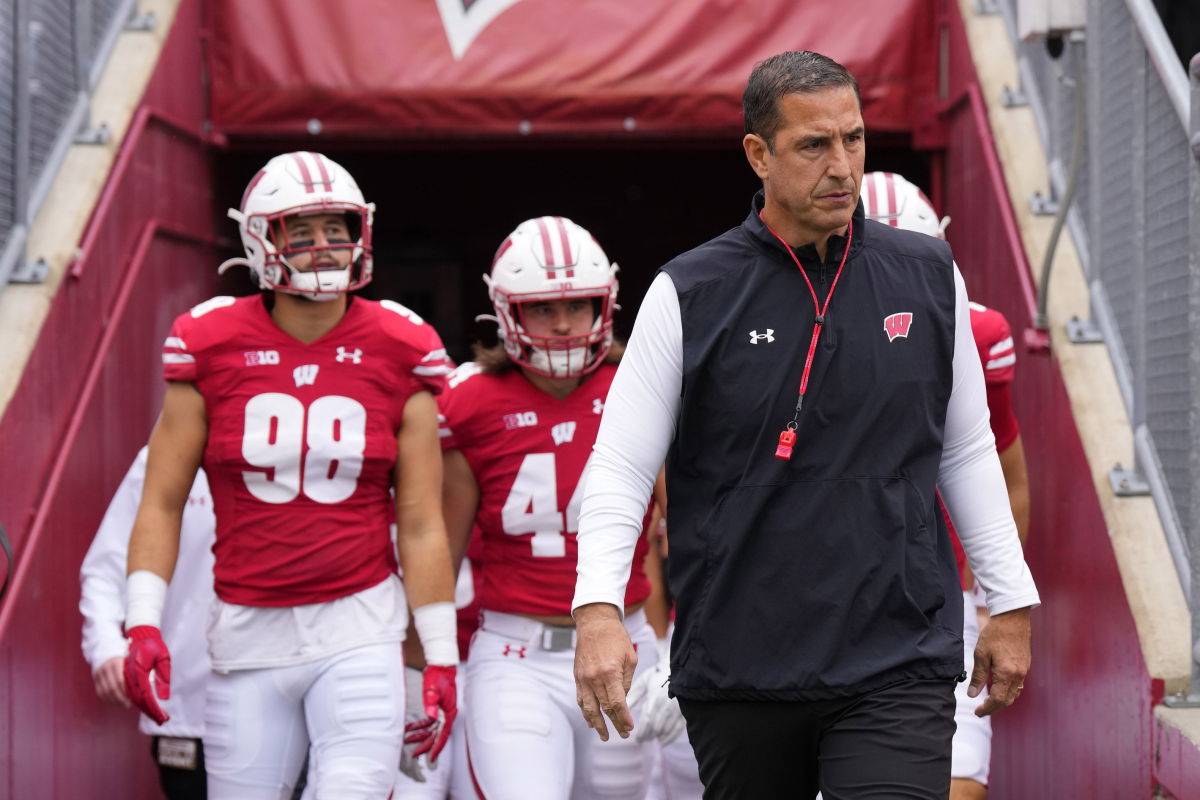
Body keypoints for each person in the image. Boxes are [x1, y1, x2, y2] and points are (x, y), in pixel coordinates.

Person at [571, 51, 1041, 799]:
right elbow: (622, 465)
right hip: (740, 660)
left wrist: (1009, 599)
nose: (842, 166)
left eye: (853, 139)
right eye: (813, 145)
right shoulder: (688, 291)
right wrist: (597, 608)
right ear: (758, 154)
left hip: (898, 654)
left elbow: (967, 448)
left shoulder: (929, 275)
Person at [122, 151, 460, 800]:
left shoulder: (402, 345)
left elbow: (420, 525)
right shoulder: (209, 341)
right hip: (247, 637)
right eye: (299, 232)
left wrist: (438, 653)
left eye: (336, 229)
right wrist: (142, 621)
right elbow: (161, 502)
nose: (324, 248)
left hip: (359, 630)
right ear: (258, 239)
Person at [437, 217, 659, 800]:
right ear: (508, 312)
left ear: (603, 306)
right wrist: (426, 661)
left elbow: (679, 538)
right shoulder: (469, 400)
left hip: (628, 646)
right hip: (516, 655)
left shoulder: (640, 385)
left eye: (577, 306)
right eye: (541, 309)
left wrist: (677, 648)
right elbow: (441, 545)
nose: (562, 324)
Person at [861, 170, 1032, 800]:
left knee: (958, 784)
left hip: (939, 595)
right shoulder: (787, 330)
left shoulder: (977, 335)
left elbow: (1004, 473)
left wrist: (997, 594)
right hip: (830, 593)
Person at [80, 447, 215, 800]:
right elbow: (105, 569)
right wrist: (106, 647)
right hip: (186, 710)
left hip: (292, 698)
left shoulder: (312, 445)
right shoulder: (164, 454)